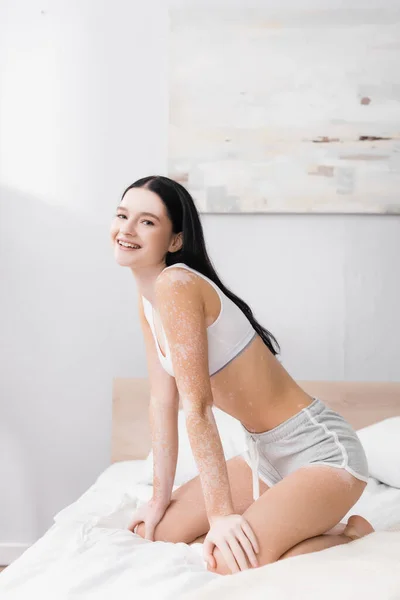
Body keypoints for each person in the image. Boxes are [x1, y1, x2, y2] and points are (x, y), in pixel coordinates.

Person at [110, 175, 374, 576]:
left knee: (225, 561)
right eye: (122, 215)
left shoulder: (176, 284)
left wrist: (221, 516)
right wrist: (158, 497)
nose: (127, 229)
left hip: (320, 454)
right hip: (263, 456)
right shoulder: (149, 301)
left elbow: (197, 405)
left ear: (175, 240)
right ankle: (299, 524)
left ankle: (351, 536)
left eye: (146, 221)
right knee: (160, 530)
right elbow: (162, 401)